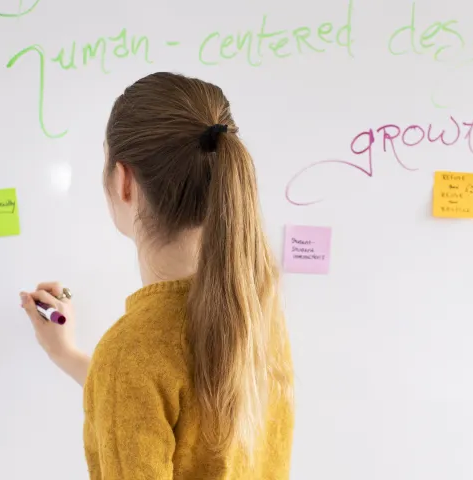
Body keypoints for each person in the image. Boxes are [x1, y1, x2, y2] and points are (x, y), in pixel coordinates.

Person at [19, 72, 295, 479]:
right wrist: (69, 355)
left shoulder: (131, 352)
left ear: (123, 180)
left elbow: (145, 377)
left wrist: (106, 365)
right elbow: (170, 402)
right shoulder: (254, 306)